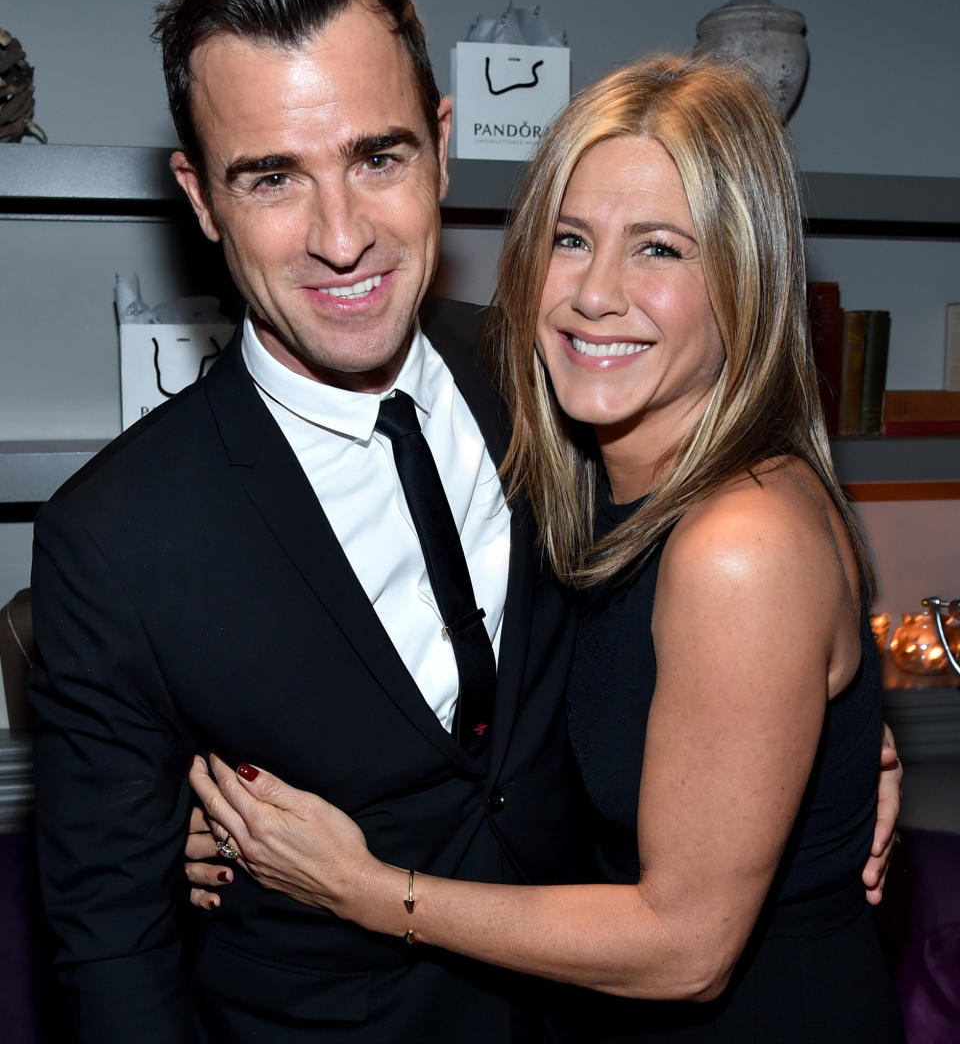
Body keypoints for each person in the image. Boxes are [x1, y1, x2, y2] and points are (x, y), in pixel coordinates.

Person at [185, 54, 906, 1041]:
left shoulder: (740, 542)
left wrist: (368, 889)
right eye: (572, 238)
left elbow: (687, 946)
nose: (596, 293)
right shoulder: (582, 479)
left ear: (745, 278)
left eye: (660, 249)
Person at [29, 0, 598, 1044]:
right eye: (273, 178)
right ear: (201, 200)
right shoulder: (115, 537)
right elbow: (112, 948)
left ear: (440, 143)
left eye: (377, 157)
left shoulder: (565, 376)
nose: (341, 238)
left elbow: (733, 538)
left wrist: (831, 743)